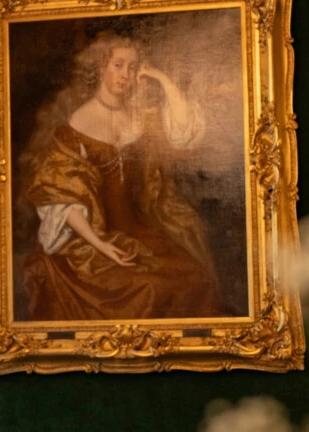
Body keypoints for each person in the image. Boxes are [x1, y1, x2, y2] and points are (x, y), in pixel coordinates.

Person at [21, 30, 221, 321]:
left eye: (132, 67)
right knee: (149, 288)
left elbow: (183, 132)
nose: (125, 74)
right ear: (102, 67)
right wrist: (101, 245)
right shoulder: (77, 123)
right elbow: (62, 198)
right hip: (93, 238)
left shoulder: (140, 117)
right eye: (118, 65)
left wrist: (161, 78)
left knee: (196, 278)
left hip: (141, 230)